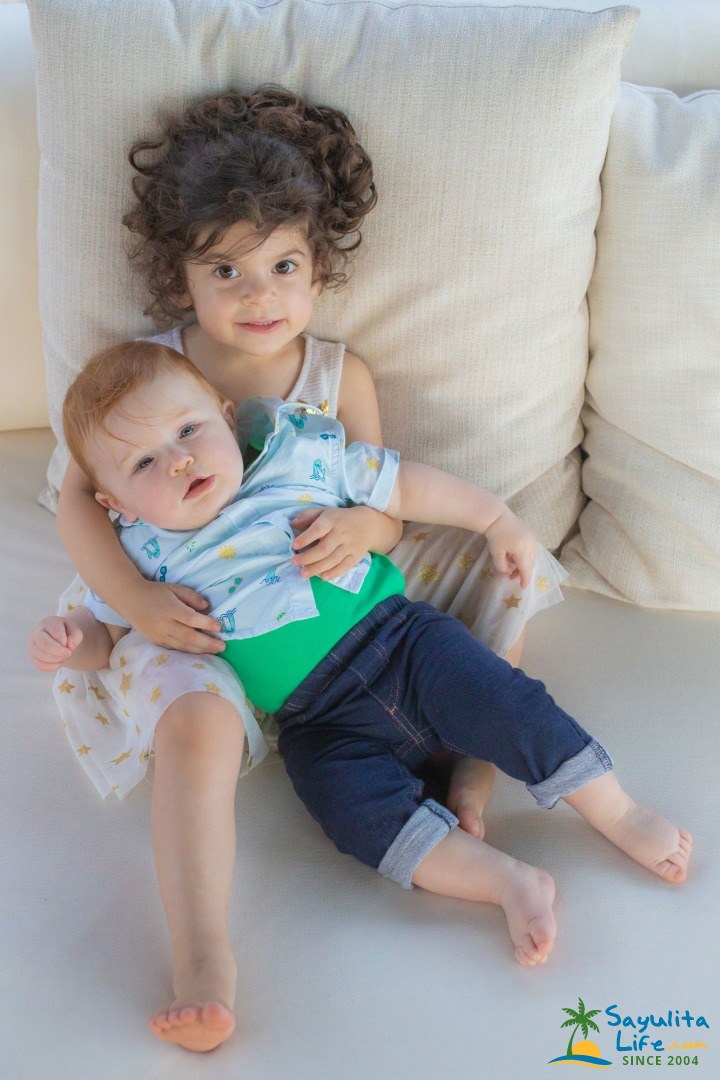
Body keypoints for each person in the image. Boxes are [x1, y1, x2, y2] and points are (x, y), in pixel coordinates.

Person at [31, 342, 692, 1053]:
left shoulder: (294, 457)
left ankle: (616, 811)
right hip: (315, 721)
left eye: (189, 431)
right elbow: (110, 632)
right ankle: (507, 883)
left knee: (509, 705)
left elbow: (404, 486)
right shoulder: (142, 554)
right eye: (143, 464)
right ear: (112, 504)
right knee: (352, 814)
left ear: (226, 415)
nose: (179, 461)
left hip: (405, 644)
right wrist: (72, 640)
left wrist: (495, 519)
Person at [53, 85, 568, 832]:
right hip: (189, 597)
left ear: (319, 268)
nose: (259, 296)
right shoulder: (145, 374)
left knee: (503, 570)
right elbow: (78, 498)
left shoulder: (338, 377)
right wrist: (133, 601)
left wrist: (362, 531)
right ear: (179, 279)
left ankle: (474, 772)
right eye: (225, 272)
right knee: (147, 666)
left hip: (329, 591)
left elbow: (384, 504)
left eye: (284, 266)